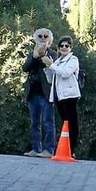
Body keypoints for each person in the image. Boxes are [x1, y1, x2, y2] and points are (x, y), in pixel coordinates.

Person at [22, 28, 58, 157]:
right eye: (40, 36)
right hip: (32, 93)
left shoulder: (53, 54)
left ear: (50, 39)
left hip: (46, 93)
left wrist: (42, 55)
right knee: (34, 123)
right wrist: (34, 56)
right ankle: (36, 148)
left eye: (46, 36)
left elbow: (52, 68)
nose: (43, 38)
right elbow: (25, 68)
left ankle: (48, 150)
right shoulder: (32, 53)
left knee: (47, 122)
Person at [44, 35, 81, 155]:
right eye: (61, 46)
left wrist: (52, 65)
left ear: (70, 47)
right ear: (58, 48)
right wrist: (48, 68)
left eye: (67, 45)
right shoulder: (58, 61)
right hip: (58, 95)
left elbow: (65, 73)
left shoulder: (73, 59)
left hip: (69, 95)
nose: (64, 48)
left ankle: (72, 149)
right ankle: (63, 147)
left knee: (72, 122)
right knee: (64, 122)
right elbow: (51, 79)